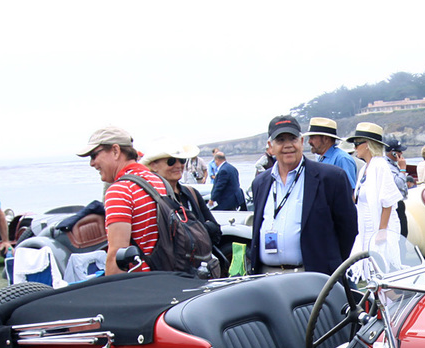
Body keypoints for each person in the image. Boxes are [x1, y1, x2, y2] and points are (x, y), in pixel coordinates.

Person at [246, 115, 357, 275]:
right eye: (281, 140)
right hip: (266, 278)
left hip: (310, 278)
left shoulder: (331, 178)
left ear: (302, 142)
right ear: (271, 146)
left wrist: (329, 268)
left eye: (293, 139)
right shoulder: (260, 183)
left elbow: (348, 230)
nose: (288, 145)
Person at [76, 126, 166, 275]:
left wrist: (111, 293)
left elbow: (117, 255)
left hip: (140, 282)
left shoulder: (121, 190)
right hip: (166, 275)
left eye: (93, 155)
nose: (92, 163)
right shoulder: (158, 180)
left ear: (116, 151)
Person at [142, 141, 227, 272]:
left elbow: (217, 232)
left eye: (182, 161)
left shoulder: (191, 194)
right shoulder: (150, 199)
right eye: (171, 161)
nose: (178, 165)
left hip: (199, 271)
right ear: (153, 166)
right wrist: (199, 230)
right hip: (169, 273)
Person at [345, 122, 401, 250]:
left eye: (357, 144)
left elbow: (388, 201)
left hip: (377, 231)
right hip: (364, 230)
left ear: (367, 145)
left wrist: (382, 231)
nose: (355, 148)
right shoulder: (365, 168)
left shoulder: (380, 165)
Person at [304, 117, 363, 183]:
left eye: (312, 137)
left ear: (326, 139)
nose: (309, 141)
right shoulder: (320, 158)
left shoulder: (342, 159)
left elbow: (349, 190)